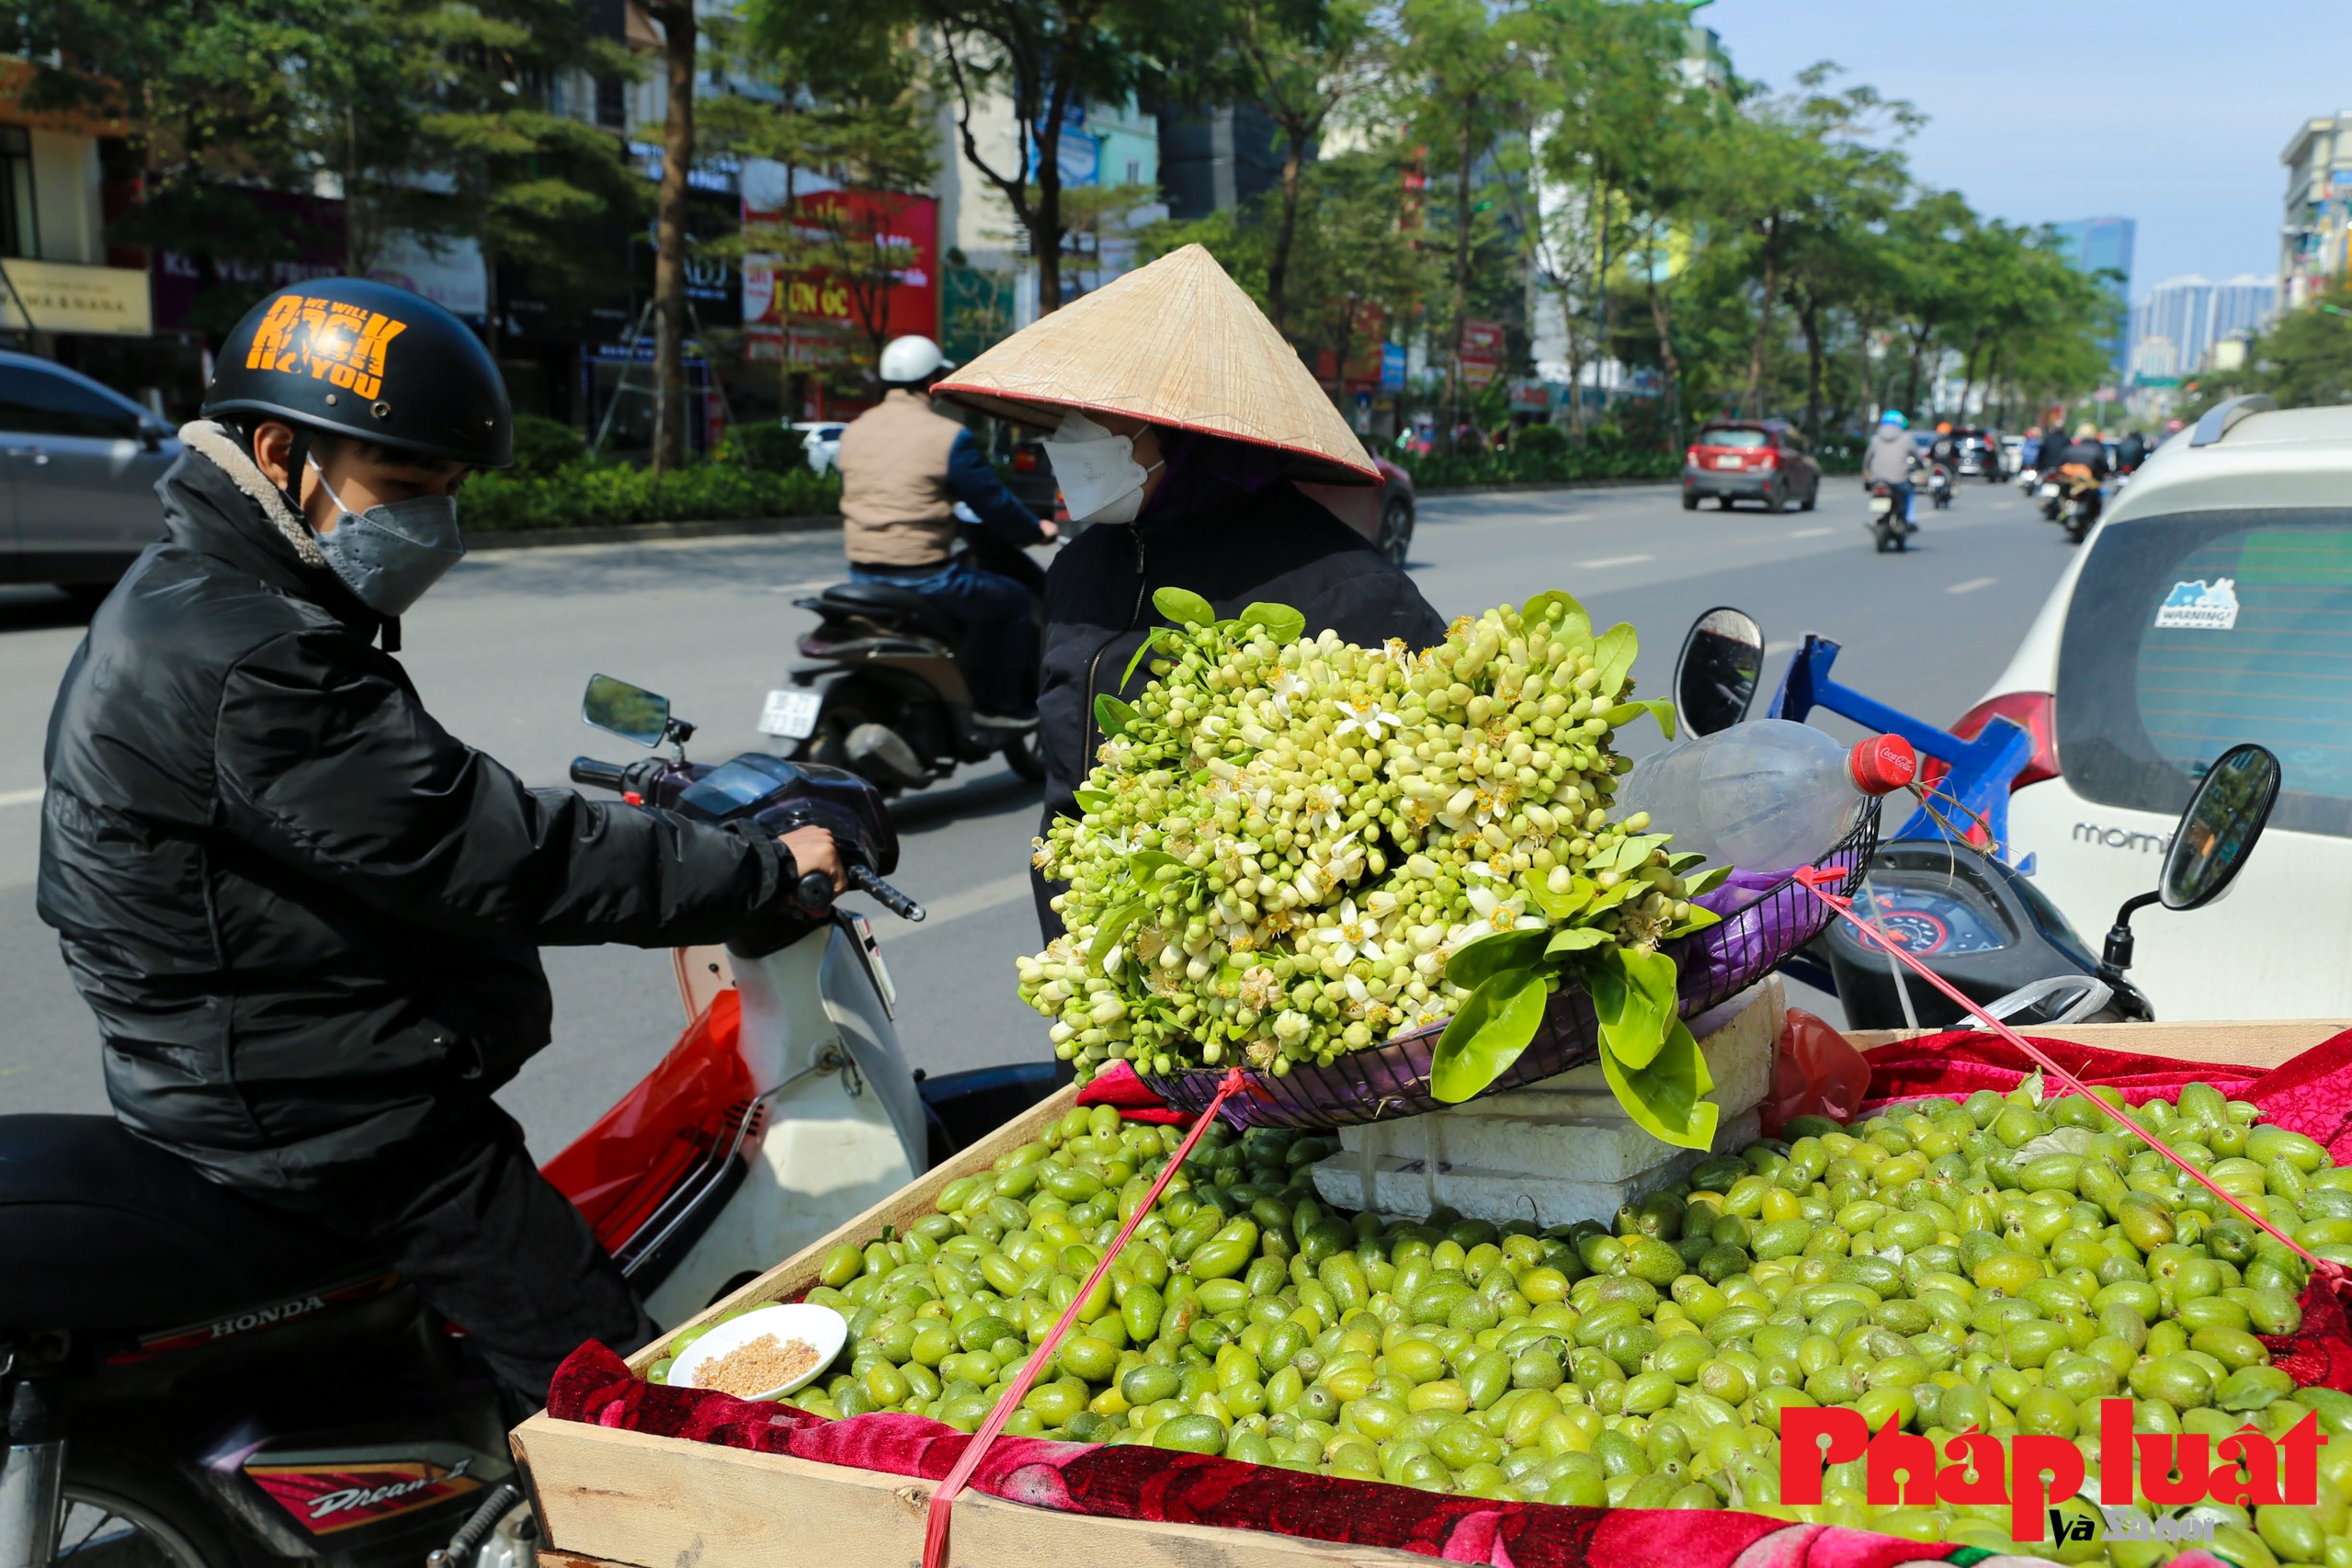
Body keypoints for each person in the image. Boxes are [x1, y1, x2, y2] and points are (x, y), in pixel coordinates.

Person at [38, 278, 846, 1405]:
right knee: (612, 1396)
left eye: (452, 491)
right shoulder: (254, 651)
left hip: (250, 1067)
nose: (437, 525)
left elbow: (400, 802)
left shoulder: (203, 591)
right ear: (279, 452)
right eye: (409, 486)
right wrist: (763, 874)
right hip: (339, 1119)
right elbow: (493, 851)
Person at [927, 245, 1449, 941]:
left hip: (1247, 988)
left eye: (1100, 412)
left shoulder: (1349, 591)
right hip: (1090, 965)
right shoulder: (1081, 566)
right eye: (1065, 412)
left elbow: (1414, 820)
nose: (1070, 436)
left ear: (1191, 437)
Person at [835, 334, 1059, 723]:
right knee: (1014, 602)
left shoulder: (855, 430)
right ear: (932, 381)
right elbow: (992, 503)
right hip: (925, 577)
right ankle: (997, 703)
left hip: (862, 574)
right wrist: (1034, 530)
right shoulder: (947, 437)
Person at [1864, 410, 1919, 523]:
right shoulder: (1906, 438)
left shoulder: (1875, 439)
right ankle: (1909, 519)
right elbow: (1917, 457)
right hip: (1899, 480)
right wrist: (1922, 468)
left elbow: (1867, 460)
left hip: (1877, 479)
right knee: (1908, 492)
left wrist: (1867, 475)